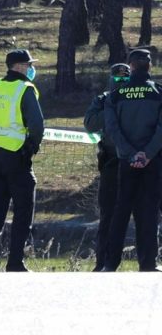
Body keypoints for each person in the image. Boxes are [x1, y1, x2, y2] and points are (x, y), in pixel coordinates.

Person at [0, 49, 45, 272]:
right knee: (24, 209)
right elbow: (36, 124)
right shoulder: (24, 89)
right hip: (17, 155)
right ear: (18, 66)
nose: (31, 68)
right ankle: (15, 261)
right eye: (28, 65)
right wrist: (31, 148)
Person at [101, 49, 162, 272]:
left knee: (120, 212)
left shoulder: (116, 95)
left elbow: (112, 129)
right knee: (149, 211)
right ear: (150, 66)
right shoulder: (158, 92)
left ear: (131, 66)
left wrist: (129, 153)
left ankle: (110, 262)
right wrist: (147, 153)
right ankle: (147, 263)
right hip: (152, 161)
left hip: (126, 161)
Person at [83, 63, 131, 271]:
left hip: (136, 162)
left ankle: (148, 261)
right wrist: (112, 108)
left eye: (125, 79)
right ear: (111, 79)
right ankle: (102, 262)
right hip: (111, 162)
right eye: (117, 79)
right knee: (108, 216)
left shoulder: (136, 97)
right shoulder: (104, 99)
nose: (121, 83)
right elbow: (90, 122)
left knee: (145, 214)